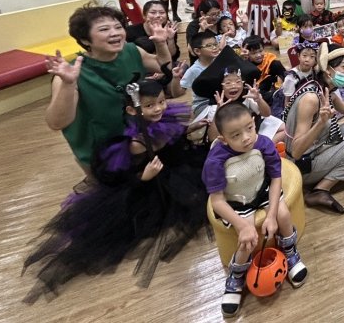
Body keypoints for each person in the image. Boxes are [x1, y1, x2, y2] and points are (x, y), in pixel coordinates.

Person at [24, 80, 209, 303]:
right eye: (150, 105)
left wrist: (191, 128)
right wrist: (144, 176)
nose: (159, 108)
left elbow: (170, 137)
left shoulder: (164, 121)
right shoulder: (136, 143)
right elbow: (120, 178)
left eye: (161, 102)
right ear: (132, 110)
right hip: (148, 186)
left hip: (173, 169)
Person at [204, 102, 307, 316]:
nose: (246, 138)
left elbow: (276, 178)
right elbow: (217, 201)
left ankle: (290, 252)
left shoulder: (263, 143)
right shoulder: (215, 161)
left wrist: (271, 215)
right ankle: (236, 277)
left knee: (283, 214)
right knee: (248, 240)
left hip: (262, 190)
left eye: (249, 128)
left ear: (254, 122)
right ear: (223, 138)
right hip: (236, 201)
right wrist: (242, 225)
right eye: (236, 135)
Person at [45, 4, 176, 169]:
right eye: (104, 29)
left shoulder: (131, 51)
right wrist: (68, 84)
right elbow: (56, 123)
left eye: (118, 27)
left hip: (138, 137)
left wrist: (161, 43)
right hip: (102, 149)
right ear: (85, 39)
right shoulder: (73, 73)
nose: (115, 33)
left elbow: (163, 67)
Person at [283, 44, 344, 214]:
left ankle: (339, 162)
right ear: (328, 70)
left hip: (319, 145)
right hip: (302, 164)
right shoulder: (311, 99)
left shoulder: (327, 91)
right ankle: (320, 190)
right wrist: (320, 123)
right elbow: (296, 152)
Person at [174, 30, 223, 114]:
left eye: (215, 44)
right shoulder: (194, 70)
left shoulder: (220, 62)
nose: (214, 47)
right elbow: (178, 93)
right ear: (197, 51)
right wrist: (175, 78)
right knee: (223, 113)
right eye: (209, 45)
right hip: (203, 104)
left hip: (219, 100)